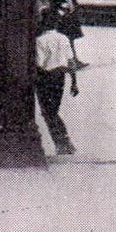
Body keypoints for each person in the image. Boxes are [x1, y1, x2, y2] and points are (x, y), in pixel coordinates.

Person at [34, 24, 77, 155]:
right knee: (53, 111)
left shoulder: (40, 40)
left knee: (48, 112)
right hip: (60, 77)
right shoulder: (64, 38)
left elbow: (39, 64)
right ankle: (64, 141)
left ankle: (63, 142)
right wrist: (74, 83)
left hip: (45, 77)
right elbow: (71, 61)